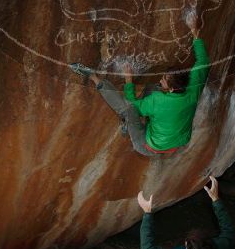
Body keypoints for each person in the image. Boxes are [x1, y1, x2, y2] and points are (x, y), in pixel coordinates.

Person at [70, 12, 209, 156]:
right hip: (174, 144)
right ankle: (128, 123)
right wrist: (194, 31)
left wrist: (128, 80)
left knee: (127, 109)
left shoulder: (159, 100)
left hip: (147, 146)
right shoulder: (193, 88)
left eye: (164, 80)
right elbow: (203, 61)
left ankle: (93, 77)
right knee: (153, 88)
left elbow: (132, 104)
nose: (161, 79)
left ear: (172, 89)